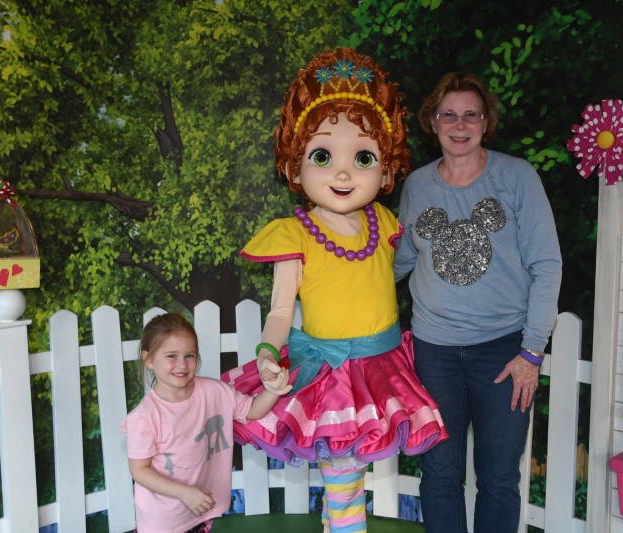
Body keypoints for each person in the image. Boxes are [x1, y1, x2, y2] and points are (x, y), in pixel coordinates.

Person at [221, 48, 448, 533]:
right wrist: (267, 353)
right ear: (294, 167)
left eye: (362, 157)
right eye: (323, 156)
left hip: (382, 369)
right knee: (344, 476)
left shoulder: (384, 221)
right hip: (331, 376)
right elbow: (281, 310)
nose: (343, 173)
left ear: (385, 171)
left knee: (347, 476)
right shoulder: (294, 234)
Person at [394, 72, 562, 533]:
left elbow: (547, 264)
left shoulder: (516, 177)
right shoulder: (417, 186)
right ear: (432, 121)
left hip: (504, 351)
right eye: (449, 114)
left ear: (486, 122)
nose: (460, 124)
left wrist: (531, 352)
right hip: (434, 352)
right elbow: (400, 260)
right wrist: (342, 275)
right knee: (439, 475)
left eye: (471, 114)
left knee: (499, 477)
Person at [121, 312, 291, 533]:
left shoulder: (216, 391)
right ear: (149, 359)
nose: (182, 364)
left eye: (189, 355)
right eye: (172, 356)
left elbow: (252, 410)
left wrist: (274, 390)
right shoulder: (144, 417)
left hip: (202, 510)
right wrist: (184, 493)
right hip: (163, 521)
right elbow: (139, 470)